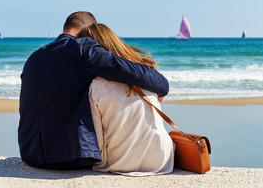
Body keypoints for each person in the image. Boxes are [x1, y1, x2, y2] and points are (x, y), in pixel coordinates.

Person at [18, 11, 169, 170]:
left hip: (30, 154)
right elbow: (134, 72)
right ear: (90, 30)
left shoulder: (34, 57)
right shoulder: (82, 49)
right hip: (69, 157)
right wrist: (162, 86)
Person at [78, 23, 175, 176]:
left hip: (120, 163)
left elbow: (98, 143)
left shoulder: (97, 86)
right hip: (161, 160)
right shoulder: (147, 74)